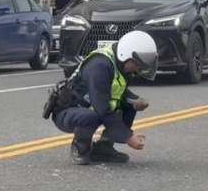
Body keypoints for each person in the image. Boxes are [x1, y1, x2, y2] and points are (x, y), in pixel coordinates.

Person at [52, 31, 157, 165]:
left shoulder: (119, 63)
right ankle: (80, 148)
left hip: (91, 106)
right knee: (90, 116)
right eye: (137, 64)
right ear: (126, 55)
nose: (137, 69)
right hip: (68, 111)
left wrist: (136, 100)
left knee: (131, 104)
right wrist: (128, 137)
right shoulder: (100, 66)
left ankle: (103, 148)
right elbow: (101, 108)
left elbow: (115, 90)